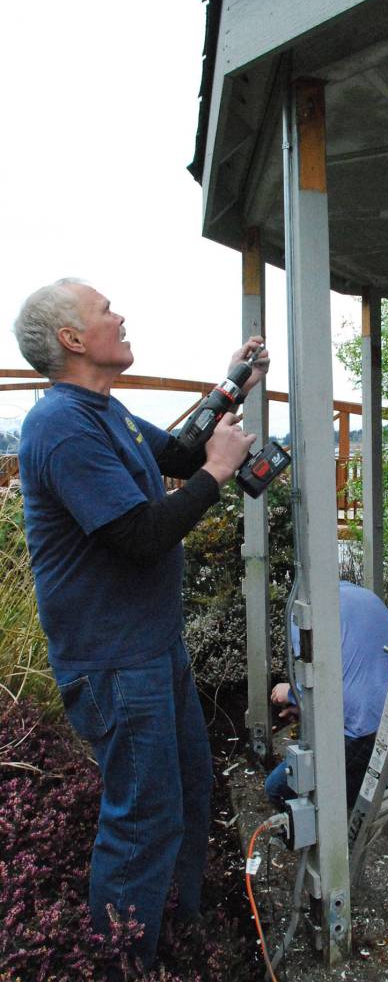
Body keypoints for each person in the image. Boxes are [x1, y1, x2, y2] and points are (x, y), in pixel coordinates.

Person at [14, 277, 268, 972]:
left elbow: (180, 454)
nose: (119, 315)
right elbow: (137, 534)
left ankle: (176, 937)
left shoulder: (103, 410)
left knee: (185, 792)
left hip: (152, 650)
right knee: (141, 821)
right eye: (103, 310)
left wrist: (230, 385)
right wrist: (219, 475)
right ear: (72, 339)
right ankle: (120, 964)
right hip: (113, 664)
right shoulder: (60, 426)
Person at [265, 580, 388, 808]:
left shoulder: (305, 612)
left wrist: (291, 693)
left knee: (277, 789)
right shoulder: (364, 595)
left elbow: (315, 681)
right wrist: (302, 704)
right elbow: (351, 671)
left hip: (371, 731)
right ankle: (379, 780)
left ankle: (369, 797)